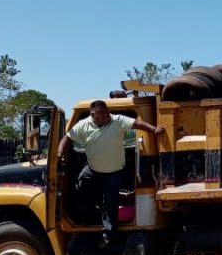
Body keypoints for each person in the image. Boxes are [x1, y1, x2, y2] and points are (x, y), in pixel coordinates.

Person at [57, 100, 165, 244]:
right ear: (93, 115)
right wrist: (59, 155)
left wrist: (153, 129)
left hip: (114, 171)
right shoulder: (83, 125)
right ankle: (91, 215)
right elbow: (67, 138)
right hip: (93, 169)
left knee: (111, 201)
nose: (107, 114)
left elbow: (137, 124)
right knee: (80, 186)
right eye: (102, 113)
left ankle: (109, 234)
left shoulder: (117, 120)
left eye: (107, 111)